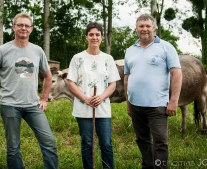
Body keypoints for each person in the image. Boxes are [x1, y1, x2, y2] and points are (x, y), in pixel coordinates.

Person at [0, 12, 59, 169]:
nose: (23, 28)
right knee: (13, 148)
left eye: (27, 25)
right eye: (20, 25)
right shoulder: (3, 50)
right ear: (13, 27)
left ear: (32, 29)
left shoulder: (37, 51)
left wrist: (43, 98)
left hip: (33, 105)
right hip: (10, 105)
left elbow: (48, 76)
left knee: (49, 142)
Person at [124, 14, 182, 169]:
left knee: (160, 142)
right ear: (136, 29)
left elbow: (177, 74)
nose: (144, 29)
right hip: (136, 105)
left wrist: (174, 101)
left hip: (157, 105)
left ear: (154, 28)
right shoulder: (130, 50)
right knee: (142, 140)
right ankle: (148, 166)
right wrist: (128, 103)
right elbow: (127, 78)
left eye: (148, 26)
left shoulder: (166, 47)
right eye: (141, 26)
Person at [67, 22, 121, 169]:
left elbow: (113, 84)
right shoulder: (77, 58)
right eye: (91, 34)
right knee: (87, 144)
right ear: (86, 37)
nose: (94, 37)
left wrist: (102, 97)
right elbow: (70, 82)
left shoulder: (108, 59)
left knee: (106, 144)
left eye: (97, 34)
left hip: (102, 108)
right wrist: (85, 98)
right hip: (83, 107)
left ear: (102, 37)